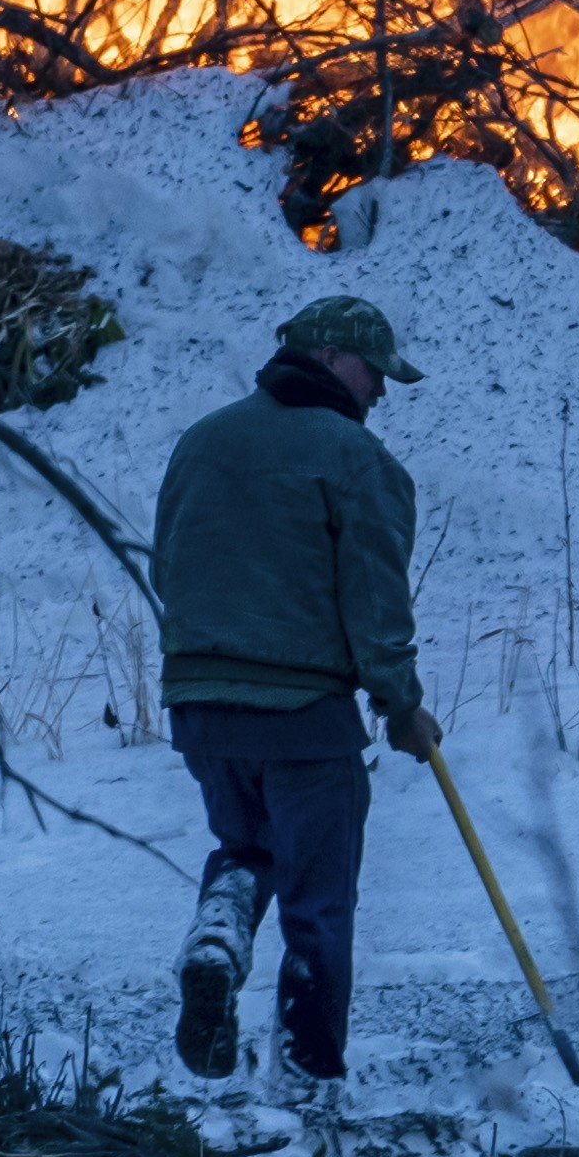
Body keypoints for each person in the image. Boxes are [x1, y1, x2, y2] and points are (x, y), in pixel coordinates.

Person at [147, 288, 436, 1086]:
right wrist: (400, 704)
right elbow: (375, 600)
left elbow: (167, 564)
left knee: (246, 847)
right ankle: (310, 1079)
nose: (379, 391)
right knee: (318, 900)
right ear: (334, 360)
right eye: (375, 373)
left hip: (200, 705)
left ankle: (218, 936)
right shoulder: (357, 460)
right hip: (305, 718)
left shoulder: (202, 442)